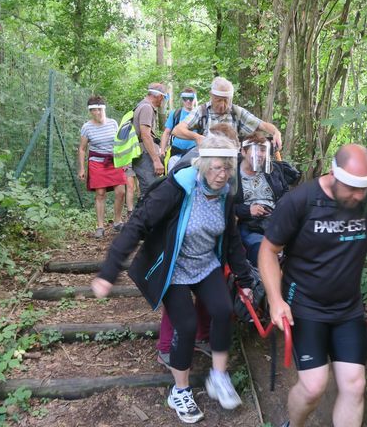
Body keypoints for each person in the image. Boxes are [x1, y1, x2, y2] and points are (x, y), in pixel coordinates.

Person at [92, 134, 254, 424]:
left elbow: (231, 239)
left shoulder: (227, 192)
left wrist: (245, 280)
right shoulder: (177, 188)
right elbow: (137, 225)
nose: (222, 175)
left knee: (223, 310)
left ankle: (218, 376)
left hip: (205, 263)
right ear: (203, 165)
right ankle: (179, 391)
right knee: (187, 325)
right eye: (217, 168)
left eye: (228, 169)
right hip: (173, 267)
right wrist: (108, 272)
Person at [258, 144, 367, 427]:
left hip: (347, 308)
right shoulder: (301, 201)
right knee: (314, 387)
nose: (359, 195)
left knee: (354, 385)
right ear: (334, 174)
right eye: (352, 188)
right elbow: (267, 251)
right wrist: (276, 300)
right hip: (304, 305)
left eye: (365, 188)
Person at [157, 123, 241, 365]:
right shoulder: (183, 181)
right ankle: (166, 346)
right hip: (178, 261)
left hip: (206, 257)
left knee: (213, 299)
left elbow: (230, 219)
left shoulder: (227, 185)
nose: (223, 171)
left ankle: (203, 337)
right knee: (178, 310)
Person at [171, 76, 282, 150]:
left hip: (232, 163)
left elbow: (262, 125)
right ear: (211, 95)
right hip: (208, 163)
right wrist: (197, 137)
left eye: (226, 100)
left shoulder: (237, 112)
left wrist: (276, 132)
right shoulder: (201, 111)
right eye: (219, 100)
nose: (222, 105)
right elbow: (177, 130)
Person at [234, 132, 291, 267]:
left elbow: (286, 194)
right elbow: (225, 206)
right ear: (243, 151)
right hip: (250, 226)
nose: (259, 154)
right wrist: (248, 210)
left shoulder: (272, 170)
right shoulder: (233, 175)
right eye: (255, 149)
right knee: (261, 252)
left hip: (276, 222)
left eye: (262, 150)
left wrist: (281, 209)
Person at [77, 96, 127, 238]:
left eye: (99, 109)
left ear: (104, 109)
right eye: (94, 110)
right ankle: (100, 226)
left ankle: (117, 222)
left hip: (114, 161)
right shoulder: (87, 127)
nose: (97, 112)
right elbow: (82, 148)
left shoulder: (113, 123)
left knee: (121, 192)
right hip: (97, 162)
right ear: (90, 112)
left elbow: (120, 143)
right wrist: (81, 168)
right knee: (100, 194)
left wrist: (124, 160)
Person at [132, 82, 168, 191]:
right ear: (159, 96)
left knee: (147, 192)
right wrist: (156, 160)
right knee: (151, 191)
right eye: (165, 97)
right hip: (145, 156)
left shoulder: (141, 105)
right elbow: (146, 135)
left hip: (144, 156)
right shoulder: (147, 108)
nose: (164, 100)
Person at [160, 88, 198, 173]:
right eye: (185, 98)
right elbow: (167, 132)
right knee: (171, 179)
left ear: (195, 98)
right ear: (182, 99)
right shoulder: (175, 114)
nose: (188, 101)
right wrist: (162, 150)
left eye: (191, 98)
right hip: (176, 154)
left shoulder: (201, 114)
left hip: (194, 155)